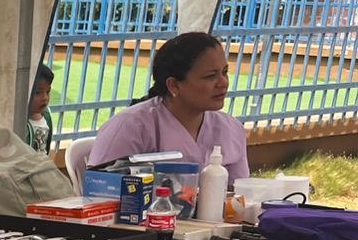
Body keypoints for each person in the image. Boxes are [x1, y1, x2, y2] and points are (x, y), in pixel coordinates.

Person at [88, 32, 248, 181]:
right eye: (210, 76)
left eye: (225, 72)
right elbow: (100, 187)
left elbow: (240, 192)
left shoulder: (231, 129)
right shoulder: (130, 127)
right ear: (174, 85)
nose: (223, 83)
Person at [26, 63, 55, 155]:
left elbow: (47, 147)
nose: (45, 98)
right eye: (38, 93)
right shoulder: (18, 122)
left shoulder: (46, 117)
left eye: (48, 91)